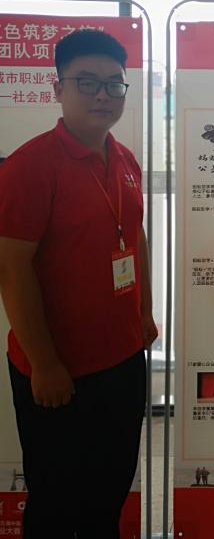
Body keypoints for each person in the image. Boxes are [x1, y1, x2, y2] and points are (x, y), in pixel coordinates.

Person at [0, 30, 158, 539]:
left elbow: (135, 234)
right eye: (87, 82)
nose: (102, 95)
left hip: (123, 359)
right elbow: (12, 268)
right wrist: (45, 363)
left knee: (109, 491)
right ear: (58, 88)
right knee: (56, 501)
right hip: (60, 371)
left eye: (114, 84)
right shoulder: (29, 166)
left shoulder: (125, 159)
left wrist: (144, 313)